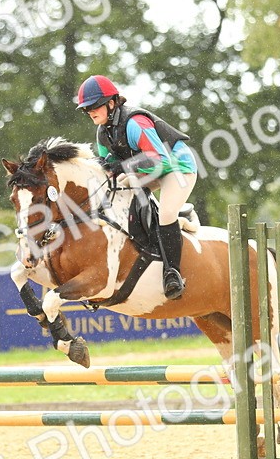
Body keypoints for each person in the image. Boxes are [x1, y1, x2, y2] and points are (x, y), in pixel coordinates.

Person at [75, 74, 198, 300]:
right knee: (116, 193)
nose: (90, 112)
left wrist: (120, 166)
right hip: (147, 170)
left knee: (167, 213)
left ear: (111, 103)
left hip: (176, 167)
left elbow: (159, 159)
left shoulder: (134, 122)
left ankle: (173, 274)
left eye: (94, 106)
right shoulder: (103, 132)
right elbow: (109, 169)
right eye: (86, 109)